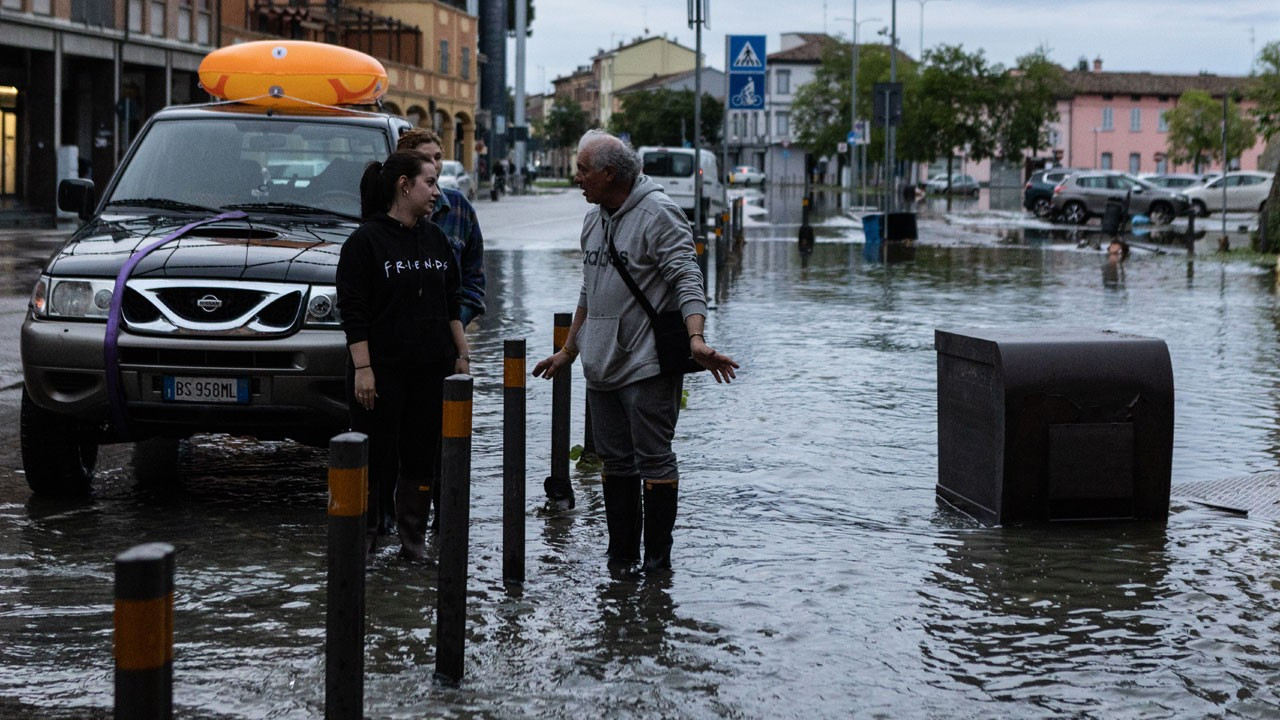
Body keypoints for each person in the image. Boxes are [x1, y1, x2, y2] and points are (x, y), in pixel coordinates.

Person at [532, 129, 739, 576]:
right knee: (616, 462)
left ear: (609, 174)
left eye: (583, 170)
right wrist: (568, 350)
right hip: (600, 366)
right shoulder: (594, 218)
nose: (577, 179)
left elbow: (688, 278)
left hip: (646, 364)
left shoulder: (659, 214)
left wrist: (696, 339)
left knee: (654, 458)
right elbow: (589, 287)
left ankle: (657, 564)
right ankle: (621, 558)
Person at [335, 150, 470, 562]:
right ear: (403, 185)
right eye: (429, 182)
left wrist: (462, 355)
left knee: (420, 455)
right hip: (380, 372)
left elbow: (452, 303)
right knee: (375, 455)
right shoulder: (365, 242)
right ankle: (368, 537)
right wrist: (363, 369)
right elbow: (353, 312)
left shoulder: (436, 238)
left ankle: (413, 542)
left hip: (431, 372)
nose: (436, 192)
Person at [396, 128, 486, 328]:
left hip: (446, 337)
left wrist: (453, 323)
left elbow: (474, 281)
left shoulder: (459, 207)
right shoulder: (387, 211)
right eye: (426, 158)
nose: (434, 165)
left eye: (438, 157)